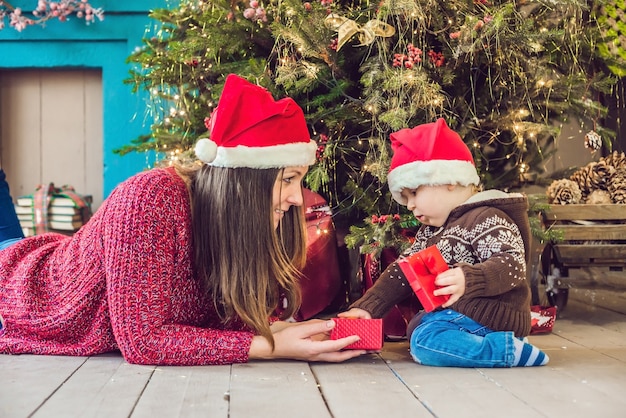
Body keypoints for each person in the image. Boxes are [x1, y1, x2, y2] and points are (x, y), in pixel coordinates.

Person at [0, 74, 366, 365]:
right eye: (288, 179)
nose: (295, 198)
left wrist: (304, 332)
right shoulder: (150, 198)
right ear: (243, 182)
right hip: (20, 296)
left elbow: (231, 323)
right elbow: (144, 342)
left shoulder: (243, 225)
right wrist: (269, 347)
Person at [340, 118, 549, 368]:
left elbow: (512, 265)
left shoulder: (487, 217)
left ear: (449, 180)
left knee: (426, 341)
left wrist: (469, 278)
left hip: (489, 317)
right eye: (405, 197)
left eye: (414, 193)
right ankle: (484, 345)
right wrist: (368, 308)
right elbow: (403, 272)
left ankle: (504, 350)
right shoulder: (433, 231)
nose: (409, 205)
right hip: (461, 318)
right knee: (419, 327)